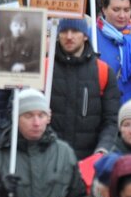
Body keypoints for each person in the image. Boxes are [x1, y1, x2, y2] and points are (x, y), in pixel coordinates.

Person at [47, 17, 121, 159]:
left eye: (75, 31)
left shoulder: (103, 71)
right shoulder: (45, 68)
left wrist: (103, 149)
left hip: (88, 161)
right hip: (50, 158)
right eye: (64, 31)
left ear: (85, 35)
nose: (69, 36)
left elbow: (111, 120)